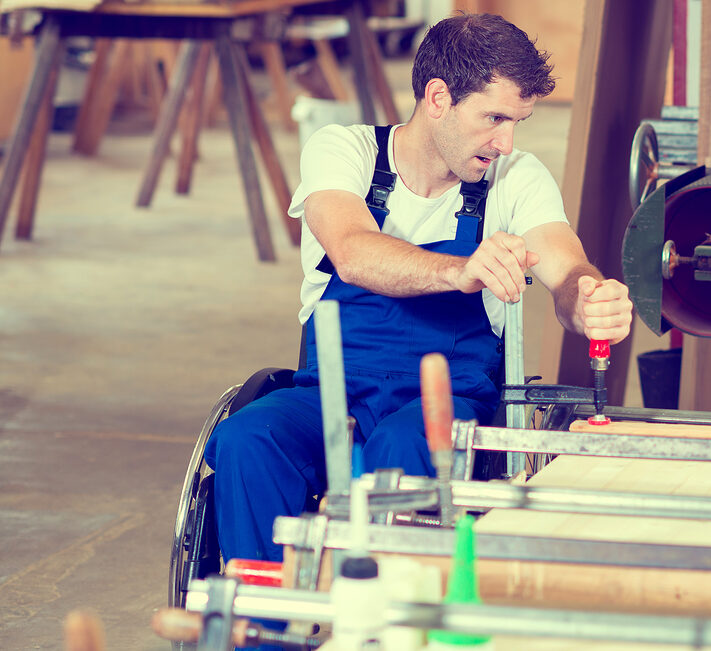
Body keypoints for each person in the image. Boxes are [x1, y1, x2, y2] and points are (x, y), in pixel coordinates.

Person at [205, 13, 633, 563]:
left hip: (448, 400)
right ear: (437, 98)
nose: (505, 142)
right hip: (333, 393)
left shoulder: (516, 178)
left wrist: (588, 299)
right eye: (494, 118)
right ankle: (263, 630)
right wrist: (456, 272)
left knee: (405, 445)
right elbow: (353, 251)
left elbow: (564, 265)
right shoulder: (345, 152)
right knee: (248, 439)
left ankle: (384, 625)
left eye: (516, 122)